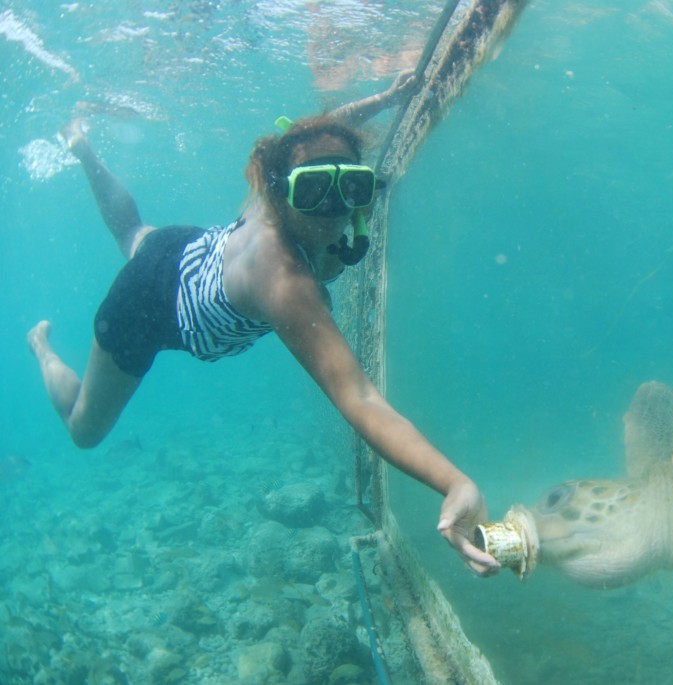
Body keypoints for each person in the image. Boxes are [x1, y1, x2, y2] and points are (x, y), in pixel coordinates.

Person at [27, 74, 499, 576]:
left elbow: (309, 136)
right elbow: (358, 396)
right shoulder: (284, 282)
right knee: (83, 429)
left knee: (136, 232)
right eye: (314, 189)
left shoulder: (276, 183)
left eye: (351, 185)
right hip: (146, 308)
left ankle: (82, 150)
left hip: (184, 249)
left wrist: (383, 101)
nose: (335, 209)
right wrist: (453, 482)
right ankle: (41, 347)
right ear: (280, 192)